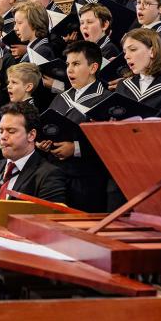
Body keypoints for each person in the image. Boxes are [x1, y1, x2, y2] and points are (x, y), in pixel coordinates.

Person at [41, 41, 111, 211]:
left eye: (76, 64)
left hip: (86, 180)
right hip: (55, 176)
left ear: (93, 68)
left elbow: (108, 143)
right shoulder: (60, 98)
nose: (69, 70)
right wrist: (43, 142)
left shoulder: (106, 100)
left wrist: (76, 148)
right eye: (68, 64)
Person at [0, 101, 66, 203]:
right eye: (1, 131)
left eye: (11, 131)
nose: (3, 137)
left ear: (31, 135)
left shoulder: (49, 175)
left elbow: (46, 218)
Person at [116, 28, 161, 113]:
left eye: (133, 49)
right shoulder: (122, 86)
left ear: (152, 51)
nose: (126, 56)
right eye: (125, 52)